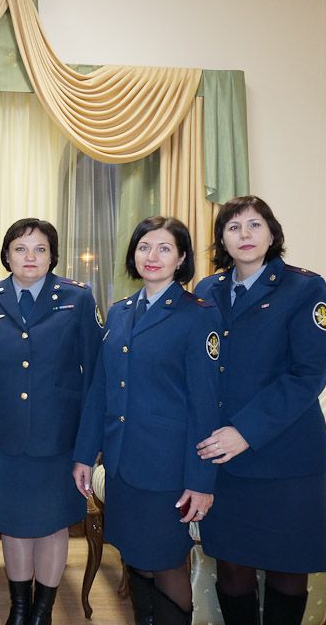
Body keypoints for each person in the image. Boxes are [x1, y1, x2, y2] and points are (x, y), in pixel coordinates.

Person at [194, 196, 326, 625]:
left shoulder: (304, 288)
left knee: (288, 571)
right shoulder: (206, 291)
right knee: (231, 569)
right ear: (221, 239)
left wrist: (246, 431)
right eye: (233, 227)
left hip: (286, 458)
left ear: (272, 234)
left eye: (255, 225)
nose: (245, 234)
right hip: (225, 461)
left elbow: (308, 374)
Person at [73, 216, 222, 625]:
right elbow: (100, 390)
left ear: (182, 259)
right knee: (136, 558)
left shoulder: (198, 315)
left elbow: (206, 406)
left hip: (168, 470)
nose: (152, 256)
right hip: (122, 465)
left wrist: (201, 481)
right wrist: (84, 454)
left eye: (164, 248)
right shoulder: (120, 312)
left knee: (167, 563)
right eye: (144, 247)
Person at [0, 218, 102, 625]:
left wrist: (89, 447)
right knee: (12, 526)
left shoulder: (77, 298)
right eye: (20, 249)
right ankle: (20, 607)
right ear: (6, 255)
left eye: (40, 249)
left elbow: (96, 377)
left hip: (58, 440)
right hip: (3, 438)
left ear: (52, 256)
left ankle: (42, 612)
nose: (30, 257)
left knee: (53, 526)